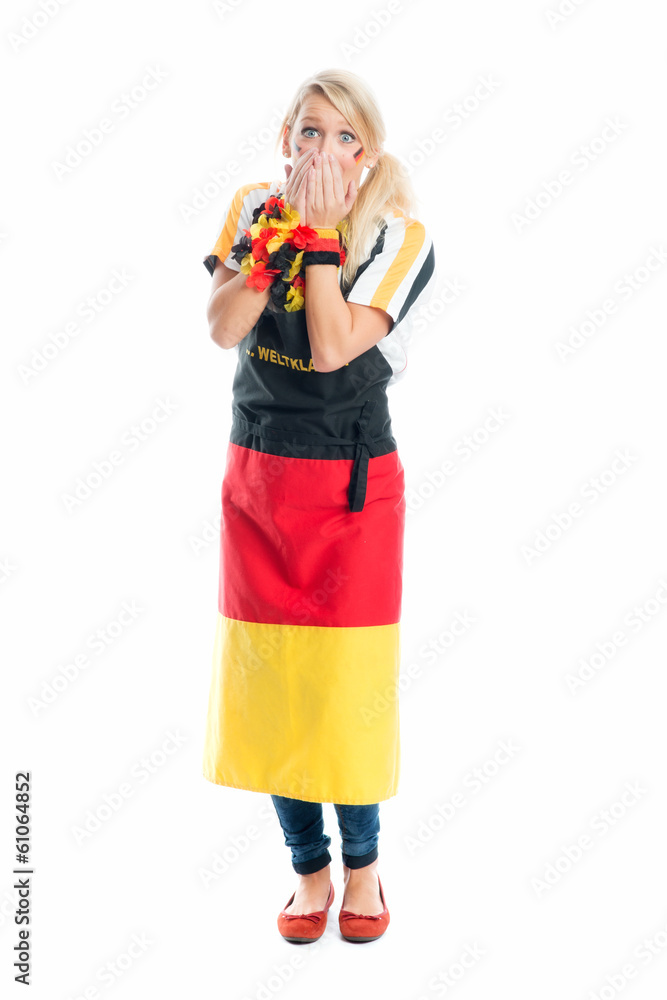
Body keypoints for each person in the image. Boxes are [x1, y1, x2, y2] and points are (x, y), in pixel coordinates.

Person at [201, 68, 436, 942]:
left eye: (344, 137)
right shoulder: (251, 208)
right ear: (285, 140)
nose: (324, 150)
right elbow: (224, 327)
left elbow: (334, 348)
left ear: (367, 153)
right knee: (273, 688)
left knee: (343, 689)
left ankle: (363, 865)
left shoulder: (401, 236)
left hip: (351, 487)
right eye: (309, 131)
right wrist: (278, 240)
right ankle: (307, 869)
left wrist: (323, 237)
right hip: (260, 475)